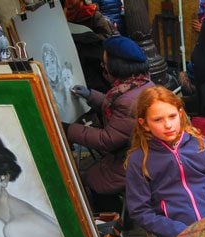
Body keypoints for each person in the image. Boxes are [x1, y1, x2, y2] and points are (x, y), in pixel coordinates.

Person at [124, 86, 205, 237]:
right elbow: (140, 211)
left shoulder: (198, 143)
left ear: (180, 114)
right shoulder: (139, 159)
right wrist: (180, 232)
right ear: (144, 124)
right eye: (158, 119)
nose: (168, 125)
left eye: (172, 116)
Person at [65, 35, 154, 209]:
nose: (102, 68)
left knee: (89, 178)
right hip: (140, 155)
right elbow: (118, 113)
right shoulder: (140, 84)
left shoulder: (128, 99)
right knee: (94, 172)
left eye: (104, 65)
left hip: (136, 163)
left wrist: (68, 129)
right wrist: (90, 95)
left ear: (116, 68)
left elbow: (107, 139)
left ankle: (114, 221)